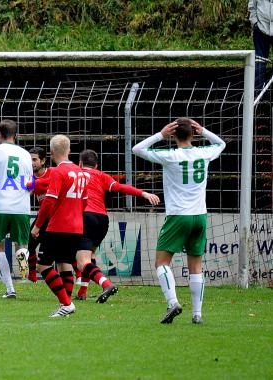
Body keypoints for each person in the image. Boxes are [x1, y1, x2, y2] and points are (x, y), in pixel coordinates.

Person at [132, 118, 226, 324]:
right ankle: (197, 314)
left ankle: (173, 302)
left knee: (161, 262)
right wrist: (205, 131)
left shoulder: (171, 156)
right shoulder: (204, 152)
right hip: (200, 216)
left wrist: (160, 135)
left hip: (178, 216)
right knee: (196, 265)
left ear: (173, 135)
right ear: (193, 134)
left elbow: (137, 149)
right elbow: (222, 144)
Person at [75, 149, 160, 301]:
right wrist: (144, 194)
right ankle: (82, 292)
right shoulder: (102, 175)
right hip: (102, 219)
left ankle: (106, 284)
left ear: (80, 163)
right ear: (96, 166)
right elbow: (121, 188)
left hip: (85, 216)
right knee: (91, 255)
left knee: (82, 261)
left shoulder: (76, 174)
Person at [31, 134, 85, 317]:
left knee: (43, 266)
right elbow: (84, 201)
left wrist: (38, 226)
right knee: (64, 264)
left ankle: (66, 303)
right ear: (69, 150)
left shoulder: (57, 172)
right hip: (77, 226)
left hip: (59, 226)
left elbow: (49, 201)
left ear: (52, 152)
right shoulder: (80, 172)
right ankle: (65, 305)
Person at [0, 119, 33, 298]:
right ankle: (24, 275)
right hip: (21, 207)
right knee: (21, 245)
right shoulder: (25, 154)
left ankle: (10, 289)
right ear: (15, 136)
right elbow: (30, 184)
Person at [26, 146, 53, 283]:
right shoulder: (29, 177)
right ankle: (32, 277)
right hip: (43, 217)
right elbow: (27, 193)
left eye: (34, 159)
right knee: (28, 244)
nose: (31, 162)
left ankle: (79, 277)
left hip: (57, 216)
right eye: (29, 159)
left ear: (43, 161)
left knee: (63, 251)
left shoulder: (53, 173)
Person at [249, 0, 273, 91]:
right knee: (260, 61)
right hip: (260, 29)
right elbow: (252, 6)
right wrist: (255, 23)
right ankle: (258, 93)